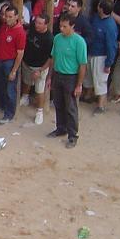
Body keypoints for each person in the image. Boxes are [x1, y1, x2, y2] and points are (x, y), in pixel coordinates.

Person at [47, 12, 88, 147]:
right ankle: (61, 128)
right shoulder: (57, 38)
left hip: (71, 77)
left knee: (70, 107)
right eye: (60, 26)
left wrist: (79, 84)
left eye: (65, 26)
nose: (61, 29)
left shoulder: (79, 42)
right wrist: (50, 77)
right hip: (58, 74)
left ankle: (72, 135)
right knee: (58, 103)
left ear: (72, 26)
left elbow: (82, 65)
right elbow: (53, 58)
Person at [0, 4, 26, 124]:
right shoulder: (4, 27)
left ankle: (9, 114)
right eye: (6, 16)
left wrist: (14, 70)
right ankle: (1, 106)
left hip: (10, 63)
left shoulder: (20, 32)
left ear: (16, 16)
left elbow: (20, 53)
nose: (7, 19)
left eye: (10, 16)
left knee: (10, 90)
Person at [87, 0, 119, 113]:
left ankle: (101, 106)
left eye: (99, 6)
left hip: (101, 56)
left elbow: (112, 46)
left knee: (100, 81)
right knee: (89, 77)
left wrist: (108, 63)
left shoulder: (110, 26)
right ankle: (89, 96)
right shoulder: (95, 17)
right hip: (91, 52)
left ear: (101, 9)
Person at [20, 13, 53, 125]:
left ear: (46, 24)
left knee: (39, 90)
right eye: (36, 22)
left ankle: (39, 112)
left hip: (40, 67)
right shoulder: (32, 28)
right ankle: (25, 97)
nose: (37, 25)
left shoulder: (49, 38)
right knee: (26, 81)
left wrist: (40, 70)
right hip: (27, 63)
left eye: (40, 23)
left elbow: (50, 58)